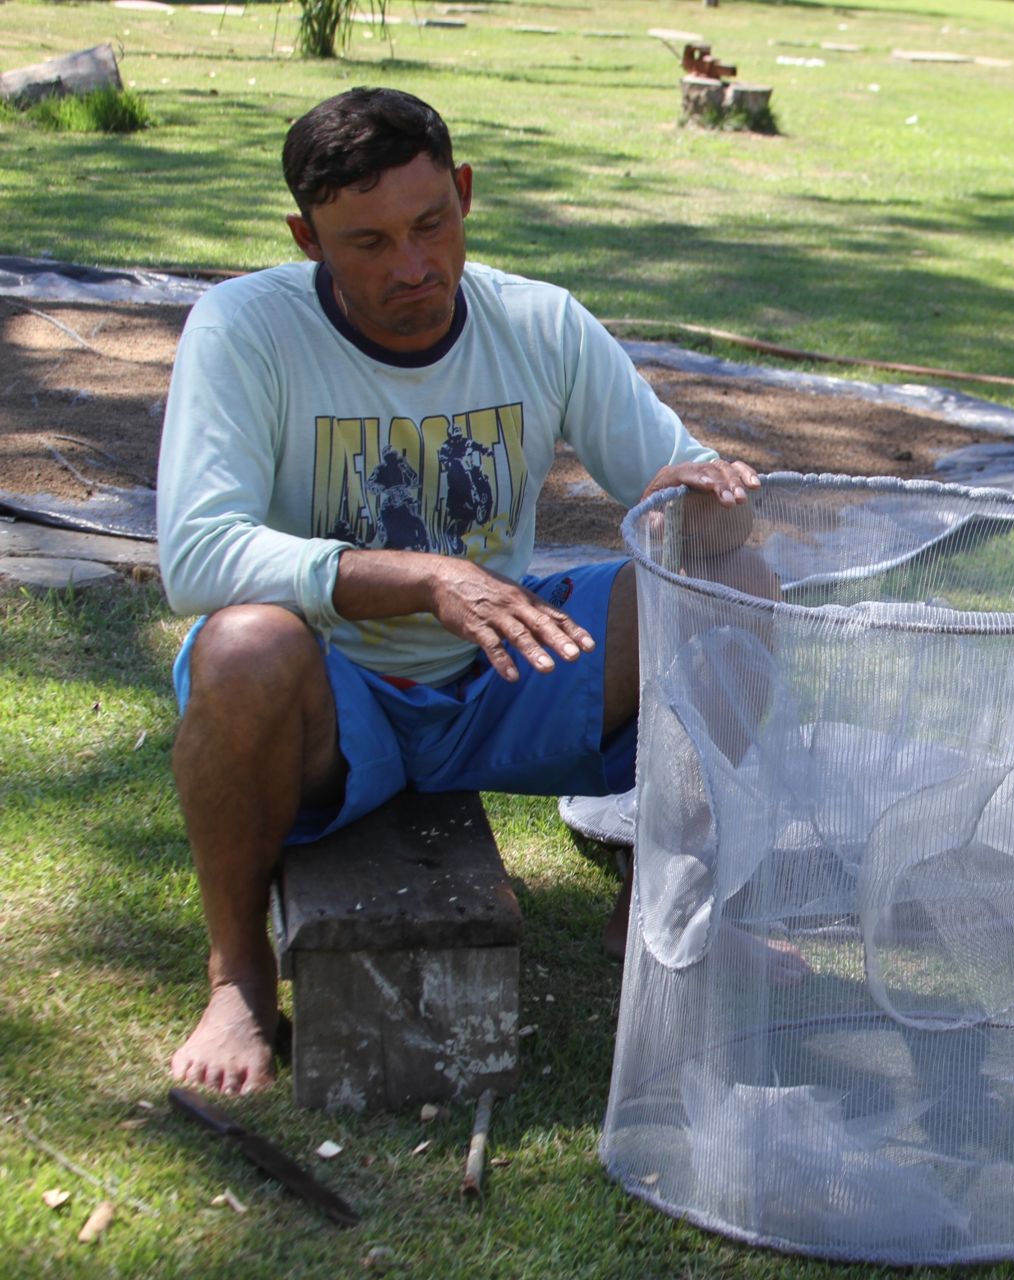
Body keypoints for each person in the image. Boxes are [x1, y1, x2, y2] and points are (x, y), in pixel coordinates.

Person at [156, 86, 762, 1096]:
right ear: (306, 238)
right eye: (368, 242)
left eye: (432, 225)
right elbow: (197, 554)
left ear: (466, 195)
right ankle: (241, 976)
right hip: (333, 698)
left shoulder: (538, 320)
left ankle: (662, 909)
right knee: (241, 645)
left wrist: (711, 503)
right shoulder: (244, 328)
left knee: (733, 581)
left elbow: (680, 487)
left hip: (502, 670)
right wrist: (424, 575)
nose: (412, 267)